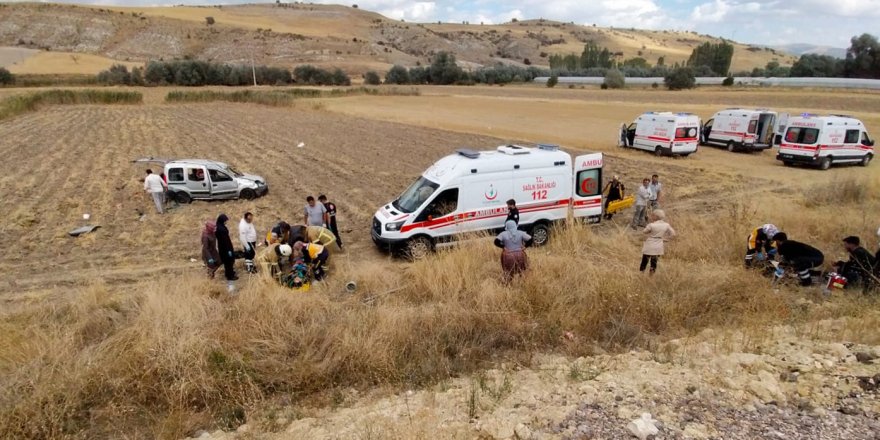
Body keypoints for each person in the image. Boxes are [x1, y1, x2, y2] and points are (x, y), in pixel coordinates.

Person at [640, 210, 676, 274]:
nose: (651, 216)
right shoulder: (666, 225)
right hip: (659, 243)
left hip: (650, 242)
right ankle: (651, 275)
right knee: (654, 261)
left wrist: (648, 224)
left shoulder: (651, 225)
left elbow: (644, 231)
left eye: (652, 215)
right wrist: (666, 239)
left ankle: (642, 273)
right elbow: (673, 234)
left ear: (655, 216)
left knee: (645, 259)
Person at [215, 214, 238, 281]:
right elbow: (225, 241)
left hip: (224, 247)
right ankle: (230, 276)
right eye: (225, 220)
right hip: (225, 248)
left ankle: (230, 273)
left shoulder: (220, 226)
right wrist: (229, 250)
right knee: (228, 262)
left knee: (228, 262)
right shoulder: (221, 229)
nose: (226, 222)